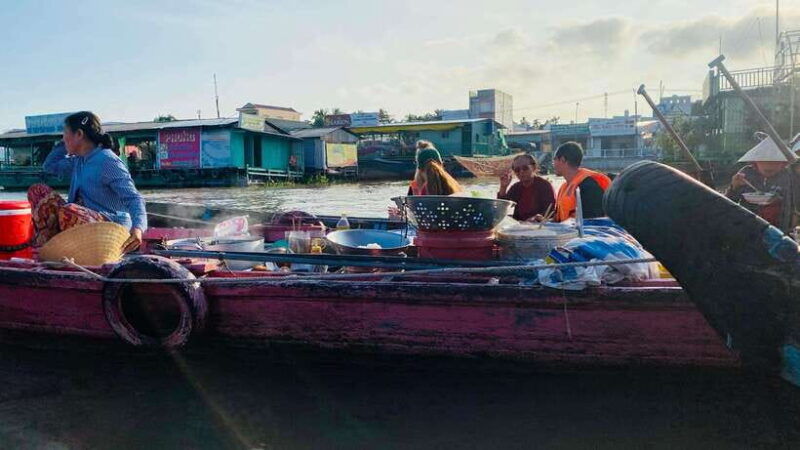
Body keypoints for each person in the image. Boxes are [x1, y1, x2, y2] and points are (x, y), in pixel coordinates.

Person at [28, 111, 147, 252]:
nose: (63, 138)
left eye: (65, 133)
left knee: (69, 211)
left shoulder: (107, 161)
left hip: (111, 227)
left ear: (79, 134)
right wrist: (64, 144)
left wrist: (138, 228)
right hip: (82, 222)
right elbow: (50, 166)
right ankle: (46, 245)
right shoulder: (79, 160)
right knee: (38, 190)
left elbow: (134, 198)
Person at [725, 136, 797, 232]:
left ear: (783, 163)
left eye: (775, 162)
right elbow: (727, 204)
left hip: (778, 229)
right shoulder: (746, 173)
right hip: (748, 227)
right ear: (755, 162)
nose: (769, 166)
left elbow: (792, 204)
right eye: (764, 161)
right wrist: (734, 187)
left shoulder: (787, 176)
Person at [552, 141, 612, 222]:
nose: (553, 164)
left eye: (555, 159)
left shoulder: (589, 186)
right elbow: (560, 220)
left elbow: (593, 223)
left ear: (563, 160)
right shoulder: (564, 187)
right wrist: (547, 221)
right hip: (568, 232)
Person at [497, 153, 555, 221]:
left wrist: (535, 218)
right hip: (520, 225)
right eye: (517, 170)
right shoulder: (516, 188)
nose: (521, 172)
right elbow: (501, 209)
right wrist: (503, 187)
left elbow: (550, 211)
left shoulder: (544, 186)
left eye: (525, 168)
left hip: (538, 226)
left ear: (534, 168)